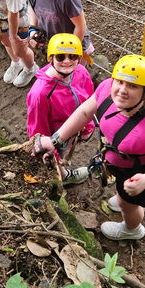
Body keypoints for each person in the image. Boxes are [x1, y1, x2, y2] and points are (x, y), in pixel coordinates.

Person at [33, 54, 145, 240]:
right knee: (126, 197)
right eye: (120, 82)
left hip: (140, 171)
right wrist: (55, 140)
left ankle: (131, 229)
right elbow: (84, 112)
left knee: (126, 203)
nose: (122, 90)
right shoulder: (106, 88)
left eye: (132, 86)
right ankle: (138, 201)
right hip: (119, 160)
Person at [26, 33, 95, 183]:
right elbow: (38, 130)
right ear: (50, 58)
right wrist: (51, 153)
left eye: (73, 57)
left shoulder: (81, 72)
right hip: (56, 137)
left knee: (65, 151)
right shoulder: (41, 94)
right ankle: (63, 175)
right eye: (60, 57)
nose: (67, 61)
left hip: (74, 131)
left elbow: (89, 100)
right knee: (59, 156)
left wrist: (88, 126)